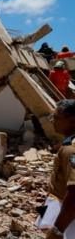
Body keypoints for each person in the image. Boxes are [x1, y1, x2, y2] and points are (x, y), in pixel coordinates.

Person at [36, 100, 75, 239]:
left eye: (57, 118)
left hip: (67, 216)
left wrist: (58, 230)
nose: (53, 121)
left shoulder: (71, 150)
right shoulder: (67, 145)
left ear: (72, 121)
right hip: (56, 205)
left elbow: (74, 193)